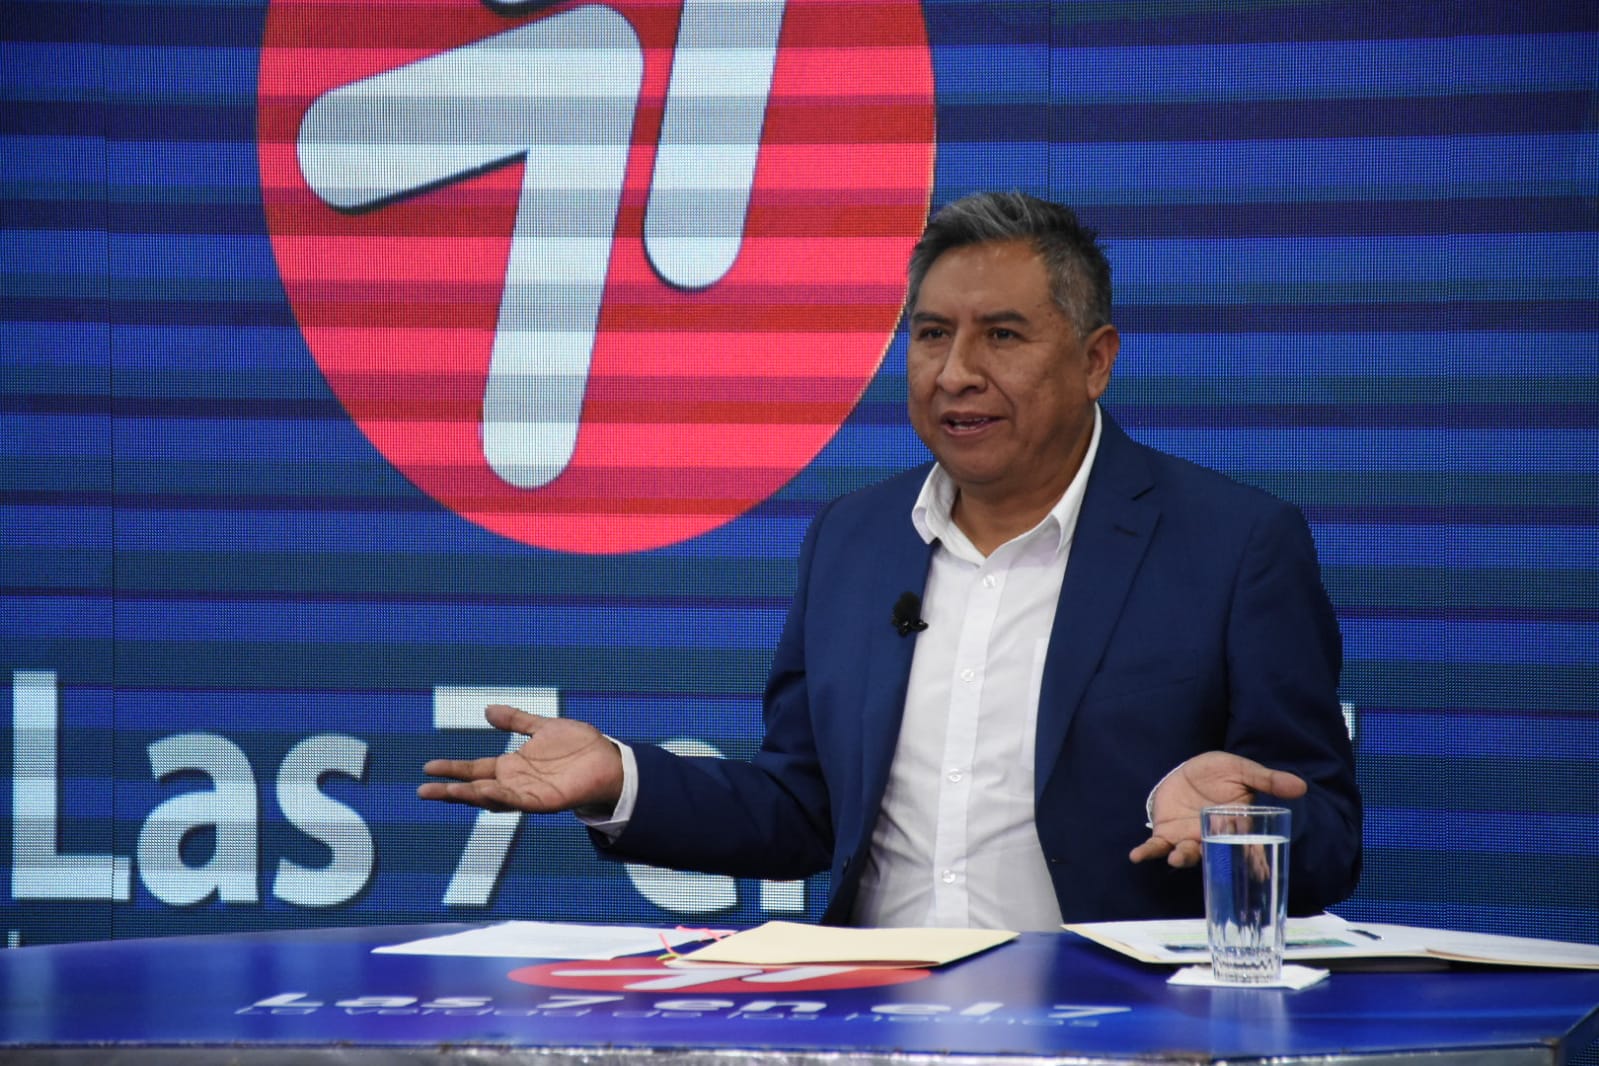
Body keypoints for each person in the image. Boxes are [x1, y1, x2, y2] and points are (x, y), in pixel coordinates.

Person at [419, 191, 1361, 929]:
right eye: (931, 334)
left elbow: (1326, 836)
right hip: (876, 1016)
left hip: (1118, 1024)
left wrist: (1240, 827)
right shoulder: (854, 538)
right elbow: (803, 810)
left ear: (1094, 360)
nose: (955, 372)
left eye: (1001, 335)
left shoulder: (1232, 544)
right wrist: (621, 779)